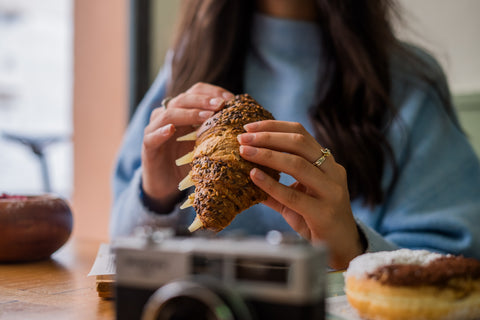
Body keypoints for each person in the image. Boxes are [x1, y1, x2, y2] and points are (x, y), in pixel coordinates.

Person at [110, 0, 480, 269]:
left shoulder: (408, 84)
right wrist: (154, 198)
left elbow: (458, 263)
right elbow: (119, 247)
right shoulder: (188, 63)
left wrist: (352, 249)